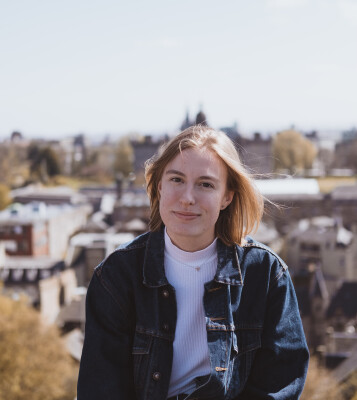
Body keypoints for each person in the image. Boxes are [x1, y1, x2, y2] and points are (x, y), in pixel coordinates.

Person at [77, 125, 309, 400]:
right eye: (176, 180)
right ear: (159, 186)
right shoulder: (116, 275)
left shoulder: (267, 275)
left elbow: (279, 386)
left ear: (227, 197)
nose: (187, 198)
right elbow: (101, 389)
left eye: (205, 184)